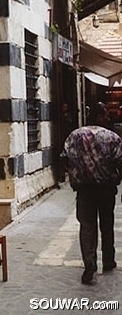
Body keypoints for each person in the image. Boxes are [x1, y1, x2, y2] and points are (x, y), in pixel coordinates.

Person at [61, 102, 122, 284]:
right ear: (98, 116)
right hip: (106, 189)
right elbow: (120, 161)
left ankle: (89, 265)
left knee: (87, 226)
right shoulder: (112, 137)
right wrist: (116, 177)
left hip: (84, 189)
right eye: (105, 115)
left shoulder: (75, 136)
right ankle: (108, 260)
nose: (108, 118)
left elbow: (64, 159)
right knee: (107, 223)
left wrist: (75, 174)